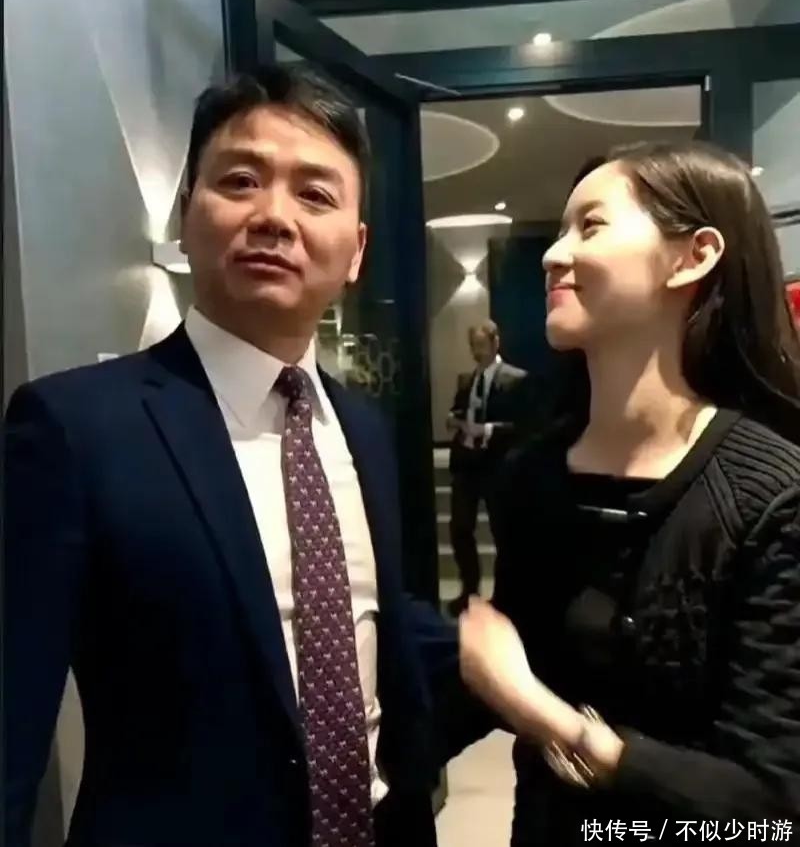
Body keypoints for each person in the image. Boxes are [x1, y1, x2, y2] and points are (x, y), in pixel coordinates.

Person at [4, 65, 455, 847]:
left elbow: (374, 632)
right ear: (187, 216)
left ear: (356, 251)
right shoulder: (74, 428)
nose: (273, 216)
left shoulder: (365, 430)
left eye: (315, 194)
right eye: (240, 181)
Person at [448, 142, 800, 844]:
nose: (554, 255)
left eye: (592, 226)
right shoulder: (533, 475)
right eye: (560, 230)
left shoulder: (773, 495)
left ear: (693, 256)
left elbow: (770, 809)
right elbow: (495, 673)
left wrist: (550, 719)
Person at [445, 321, 528, 616]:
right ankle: (469, 590)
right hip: (466, 463)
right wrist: (454, 419)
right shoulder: (466, 380)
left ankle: (506, 595)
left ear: (495, 343)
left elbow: (523, 425)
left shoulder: (516, 380)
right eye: (473, 346)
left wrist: (488, 429)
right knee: (460, 529)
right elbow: (457, 410)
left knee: (502, 531)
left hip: (497, 466)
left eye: (481, 345)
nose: (476, 352)